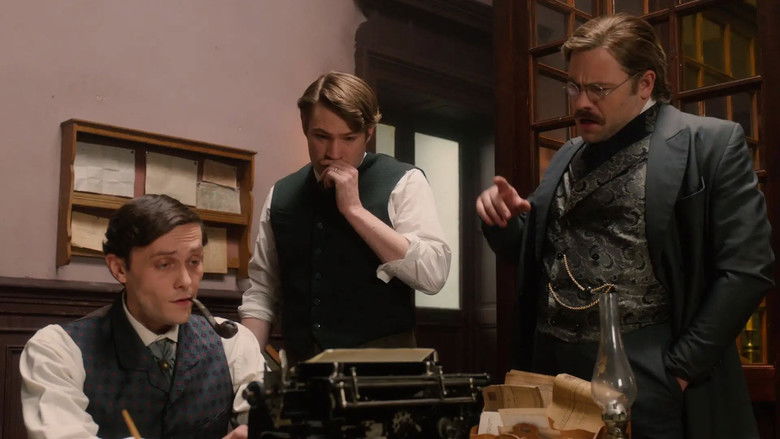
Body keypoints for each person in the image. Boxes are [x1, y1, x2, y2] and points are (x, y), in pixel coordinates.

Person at [477, 14, 773, 439]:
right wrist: (502, 220)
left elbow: (747, 269)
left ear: (645, 83)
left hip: (648, 368)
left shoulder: (709, 143)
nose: (581, 102)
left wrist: (679, 370)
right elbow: (535, 256)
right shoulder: (567, 154)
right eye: (574, 87)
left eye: (598, 89)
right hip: (551, 374)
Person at [239, 72, 451, 363]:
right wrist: (244, 364)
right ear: (304, 126)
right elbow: (262, 292)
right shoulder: (281, 194)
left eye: (349, 138)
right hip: (303, 372)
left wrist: (355, 211)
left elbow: (433, 275)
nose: (334, 152)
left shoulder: (404, 181)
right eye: (321, 136)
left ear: (369, 133)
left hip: (385, 374)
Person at [20, 194, 264, 439]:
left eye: (194, 261)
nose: (186, 281)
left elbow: (265, 422)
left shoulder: (233, 342)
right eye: (164, 264)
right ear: (119, 268)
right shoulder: (57, 350)